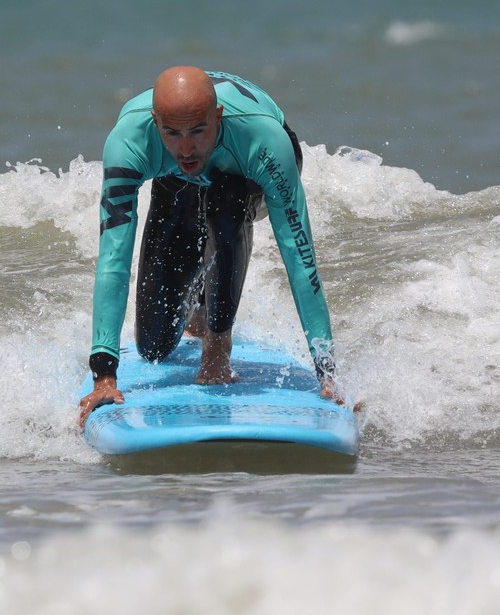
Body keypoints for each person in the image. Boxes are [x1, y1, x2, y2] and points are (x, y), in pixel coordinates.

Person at [78, 66, 340, 430]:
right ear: (155, 123)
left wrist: (327, 373)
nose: (186, 147)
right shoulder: (128, 143)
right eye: (172, 132)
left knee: (226, 202)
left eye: (198, 130)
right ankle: (199, 313)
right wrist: (104, 376)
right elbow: (113, 259)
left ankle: (219, 344)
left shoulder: (262, 141)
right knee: (153, 349)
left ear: (217, 117)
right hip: (176, 181)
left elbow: (299, 256)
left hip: (243, 171)